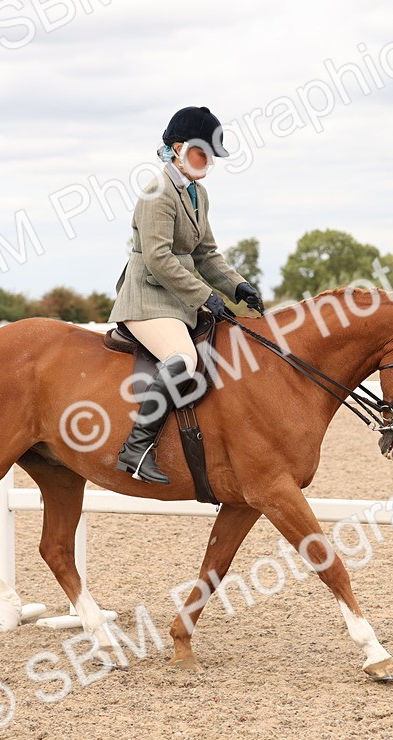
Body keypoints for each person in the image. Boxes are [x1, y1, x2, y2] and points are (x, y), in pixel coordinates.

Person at [108, 106, 264, 484]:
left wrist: (237, 285)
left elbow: (206, 254)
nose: (208, 163)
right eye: (201, 154)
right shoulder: (157, 193)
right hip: (147, 298)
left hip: (177, 298)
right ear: (177, 149)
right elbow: (159, 259)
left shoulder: (198, 193)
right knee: (183, 358)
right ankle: (136, 447)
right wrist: (203, 295)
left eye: (211, 156)